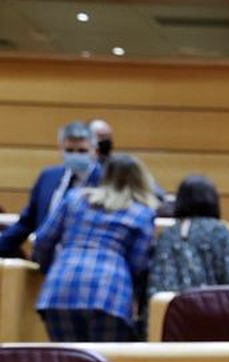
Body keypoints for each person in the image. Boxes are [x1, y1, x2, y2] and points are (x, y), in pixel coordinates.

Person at [32, 154, 159, 342]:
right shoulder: (141, 213)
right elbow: (139, 264)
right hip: (109, 292)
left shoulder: (74, 198)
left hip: (60, 286)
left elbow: (43, 239)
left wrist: (47, 268)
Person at [0, 122, 100, 258]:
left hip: (86, 262)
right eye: (69, 150)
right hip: (47, 263)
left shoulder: (106, 181)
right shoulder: (48, 177)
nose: (75, 155)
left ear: (94, 151)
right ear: (61, 149)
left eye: (82, 151)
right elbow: (27, 222)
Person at [148, 175, 229, 295]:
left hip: (174, 310)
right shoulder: (222, 232)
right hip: (216, 309)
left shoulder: (168, 234)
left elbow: (157, 283)